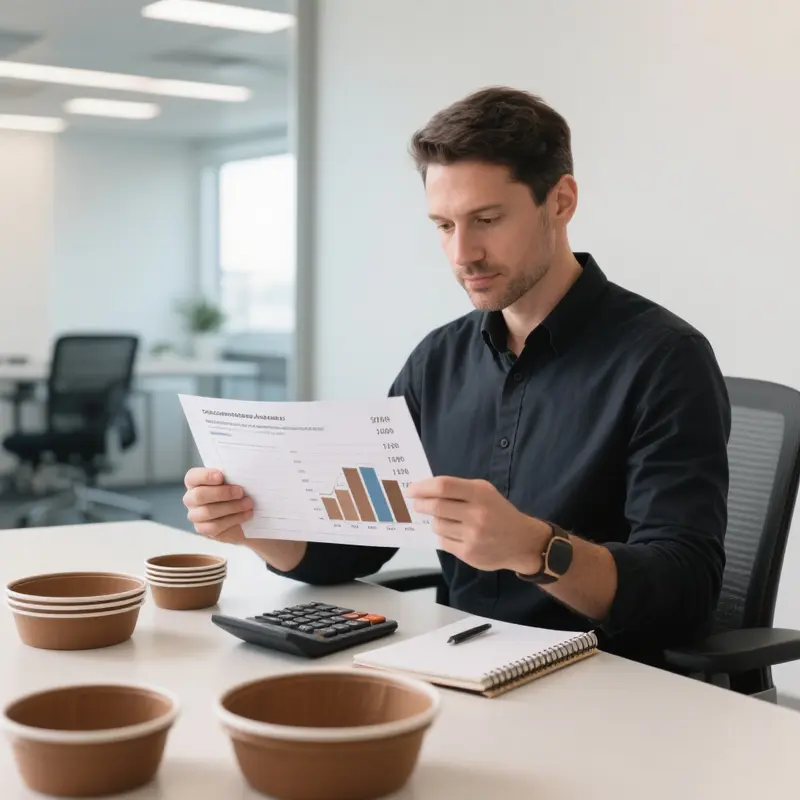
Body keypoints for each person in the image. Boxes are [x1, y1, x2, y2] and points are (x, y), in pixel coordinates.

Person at [183, 87, 730, 665]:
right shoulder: (437, 360)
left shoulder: (666, 358)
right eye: (444, 225)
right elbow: (356, 545)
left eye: (487, 219)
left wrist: (536, 549)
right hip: (459, 659)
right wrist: (250, 523)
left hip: (605, 677)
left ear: (562, 200)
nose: (462, 253)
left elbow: (684, 593)